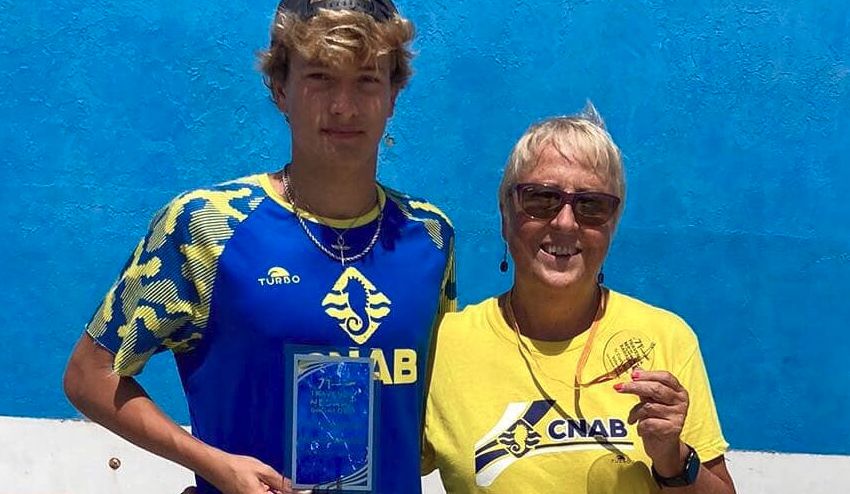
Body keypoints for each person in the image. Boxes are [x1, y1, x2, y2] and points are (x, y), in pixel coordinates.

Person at [63, 1, 455, 493]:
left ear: (394, 93)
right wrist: (214, 463)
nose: (344, 106)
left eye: (366, 80)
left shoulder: (429, 236)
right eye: (320, 77)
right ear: (280, 88)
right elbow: (88, 375)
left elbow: (426, 415)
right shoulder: (206, 226)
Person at [422, 105, 735, 493]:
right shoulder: (443, 345)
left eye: (591, 205)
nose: (565, 222)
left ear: (613, 224)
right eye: (541, 199)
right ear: (505, 214)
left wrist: (673, 458)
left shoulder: (665, 338)